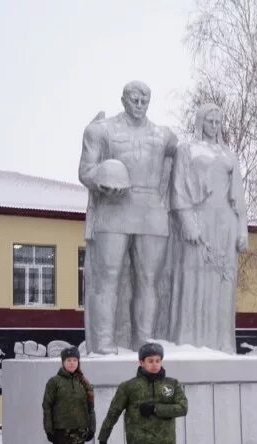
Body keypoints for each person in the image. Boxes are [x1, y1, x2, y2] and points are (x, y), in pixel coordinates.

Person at [78, 80, 179, 353]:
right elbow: (86, 170)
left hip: (151, 212)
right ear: (123, 99)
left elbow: (185, 161)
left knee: (149, 280)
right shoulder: (102, 130)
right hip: (114, 208)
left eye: (144, 98)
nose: (139, 103)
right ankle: (104, 341)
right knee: (107, 278)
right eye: (134, 98)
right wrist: (101, 181)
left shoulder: (164, 135)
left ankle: (144, 340)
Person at [168, 103, 249, 353]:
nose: (214, 126)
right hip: (198, 218)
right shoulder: (187, 150)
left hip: (225, 222)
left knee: (223, 282)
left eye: (218, 122)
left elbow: (238, 196)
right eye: (209, 121)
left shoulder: (228, 154)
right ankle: (189, 342)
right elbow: (177, 189)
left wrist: (242, 229)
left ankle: (222, 343)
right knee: (194, 277)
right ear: (200, 122)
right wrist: (187, 222)